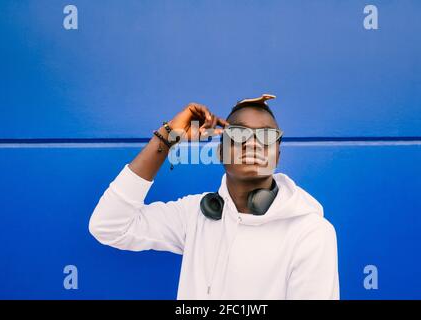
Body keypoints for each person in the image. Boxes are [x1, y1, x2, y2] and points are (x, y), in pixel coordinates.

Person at [88, 94, 340, 299]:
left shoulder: (311, 233)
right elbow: (109, 226)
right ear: (220, 152)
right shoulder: (195, 215)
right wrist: (167, 136)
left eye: (265, 137)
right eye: (239, 135)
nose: (252, 144)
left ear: (278, 155)